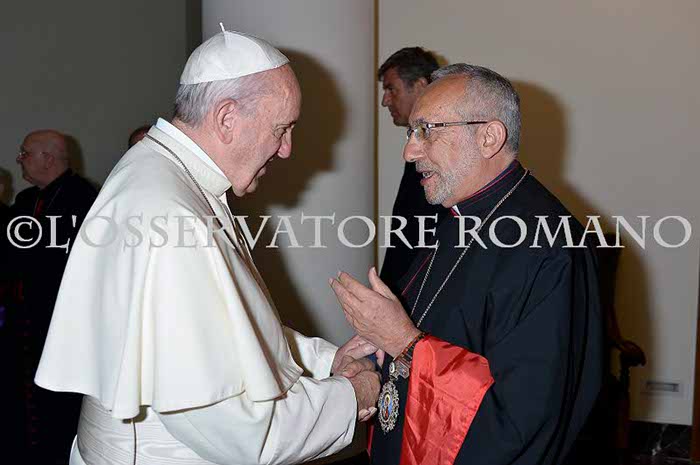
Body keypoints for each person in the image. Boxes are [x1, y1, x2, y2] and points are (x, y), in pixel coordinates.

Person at [35, 29, 380, 465]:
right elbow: (244, 434)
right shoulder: (169, 213)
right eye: (281, 129)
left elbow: (231, 328)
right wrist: (353, 394)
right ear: (227, 118)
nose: (286, 149)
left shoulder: (165, 174)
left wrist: (326, 362)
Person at [331, 64, 603, 465]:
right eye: (411, 132)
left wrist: (403, 342)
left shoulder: (550, 247)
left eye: (427, 130)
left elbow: (521, 419)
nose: (409, 151)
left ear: (489, 137)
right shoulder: (456, 217)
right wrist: (373, 360)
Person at [3, 130, 97, 464]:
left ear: (47, 158)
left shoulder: (84, 198)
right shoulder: (26, 200)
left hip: (61, 326)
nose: (19, 159)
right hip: (23, 322)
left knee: (57, 413)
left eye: (25, 153)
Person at [378, 47, 448, 294]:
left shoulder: (442, 146)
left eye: (391, 89)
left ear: (420, 86)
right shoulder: (423, 140)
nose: (385, 101)